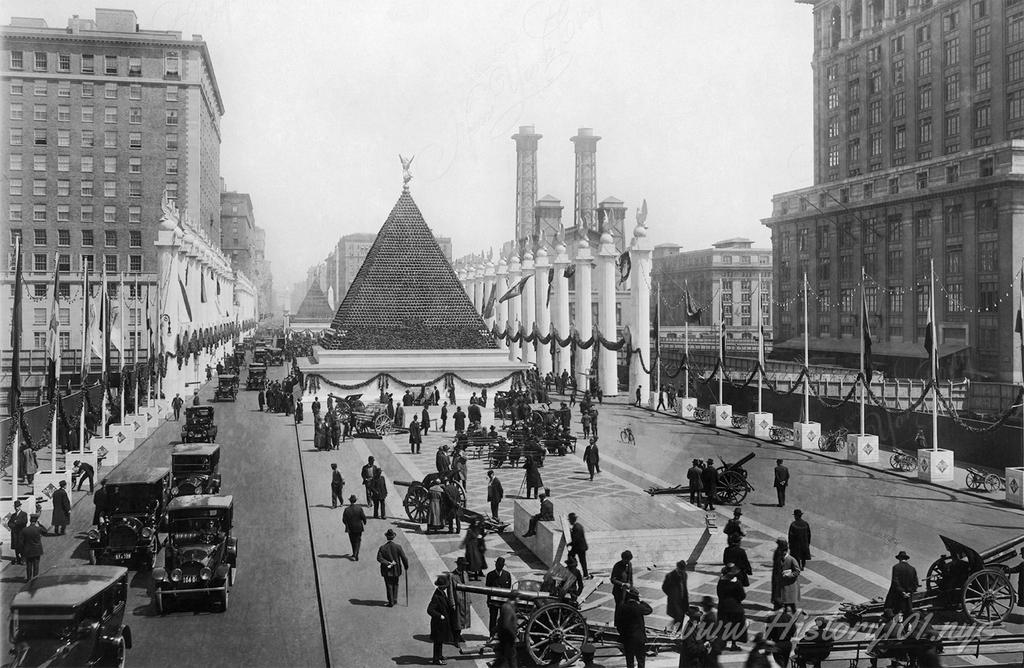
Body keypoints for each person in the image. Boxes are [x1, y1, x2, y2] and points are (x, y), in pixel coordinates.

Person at [615, 586, 653, 668]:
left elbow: (618, 624)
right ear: (636, 598)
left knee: (630, 661)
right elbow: (649, 610)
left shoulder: (622, 607)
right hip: (639, 638)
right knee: (641, 660)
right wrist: (642, 602)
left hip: (628, 638)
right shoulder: (639, 607)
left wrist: (623, 634)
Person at [717, 565, 747, 651]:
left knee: (724, 625)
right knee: (735, 626)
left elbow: (719, 593)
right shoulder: (737, 583)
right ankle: (733, 644)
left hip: (723, 607)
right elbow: (742, 595)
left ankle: (722, 643)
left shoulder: (721, 582)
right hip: (735, 607)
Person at [428, 573, 456, 665]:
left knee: (440, 641)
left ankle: (439, 656)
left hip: (442, 624)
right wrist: (440, 616)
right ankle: (436, 659)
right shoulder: (436, 596)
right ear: (442, 586)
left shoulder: (442, 593)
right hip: (438, 624)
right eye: (445, 585)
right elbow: (430, 610)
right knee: (437, 642)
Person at [376, 529, 409, 607]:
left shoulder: (382, 548)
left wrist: (387, 563)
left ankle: (390, 601)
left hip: (386, 570)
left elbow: (379, 558)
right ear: (393, 537)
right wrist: (406, 566)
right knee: (395, 584)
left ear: (387, 537)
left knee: (389, 585)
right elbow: (404, 558)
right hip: (396, 570)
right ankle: (394, 599)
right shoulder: (398, 547)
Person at [883, 550, 919, 617]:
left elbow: (895, 582)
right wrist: (908, 592)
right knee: (907, 614)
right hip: (908, 597)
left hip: (897, 595)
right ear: (906, 559)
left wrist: (902, 592)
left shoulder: (896, 567)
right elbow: (915, 583)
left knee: (891, 612)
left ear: (899, 558)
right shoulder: (912, 569)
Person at [771, 539, 802, 613]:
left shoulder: (791, 559)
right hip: (782, 584)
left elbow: (797, 571)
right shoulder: (778, 555)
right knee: (785, 603)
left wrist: (789, 575)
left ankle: (793, 617)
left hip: (790, 585)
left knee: (791, 604)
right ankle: (784, 616)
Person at [447, 557, 472, 646]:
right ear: (459, 565)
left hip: (465, 601)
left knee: (463, 621)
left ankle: (459, 635)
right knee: (456, 622)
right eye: (463, 565)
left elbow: (468, 586)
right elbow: (450, 591)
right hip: (457, 602)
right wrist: (452, 603)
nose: (464, 567)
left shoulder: (465, 574)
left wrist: (469, 599)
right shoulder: (452, 576)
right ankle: (455, 639)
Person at [485, 556, 513, 636]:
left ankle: (501, 635)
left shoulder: (507, 575)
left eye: (501, 565)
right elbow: (488, 589)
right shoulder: (490, 575)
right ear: (496, 565)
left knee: (503, 619)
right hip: (493, 601)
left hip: (503, 602)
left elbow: (508, 589)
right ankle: (492, 635)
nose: (499, 566)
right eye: (498, 564)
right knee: (493, 619)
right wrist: (488, 600)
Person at [661, 560, 689, 633]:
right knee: (678, 616)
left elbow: (685, 588)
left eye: (684, 569)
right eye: (681, 569)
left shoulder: (685, 575)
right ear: (678, 568)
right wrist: (671, 595)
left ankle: (675, 631)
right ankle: (674, 632)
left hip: (683, 600)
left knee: (681, 617)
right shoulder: (670, 576)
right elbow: (664, 587)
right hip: (674, 601)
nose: (683, 571)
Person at [493, 590, 519, 667]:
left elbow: (500, 620)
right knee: (511, 658)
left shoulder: (506, 606)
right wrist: (513, 635)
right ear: (515, 598)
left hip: (504, 637)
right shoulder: (508, 608)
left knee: (504, 658)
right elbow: (506, 625)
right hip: (508, 638)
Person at [20, 514, 47, 581]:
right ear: (36, 521)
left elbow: (21, 542)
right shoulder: (38, 529)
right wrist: (40, 524)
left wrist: (22, 551)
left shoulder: (24, 530)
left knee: (29, 565)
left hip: (28, 550)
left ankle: (29, 579)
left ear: (30, 520)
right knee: (36, 565)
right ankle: (35, 579)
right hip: (37, 550)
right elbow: (45, 531)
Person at [342, 494, 367, 560]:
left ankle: (354, 553)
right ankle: (356, 554)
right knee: (358, 541)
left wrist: (347, 524)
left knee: (352, 541)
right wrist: (364, 522)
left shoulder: (346, 509)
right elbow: (363, 517)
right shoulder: (359, 508)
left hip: (350, 528)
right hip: (359, 527)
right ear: (355, 501)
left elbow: (344, 520)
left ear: (350, 501)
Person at [567, 513, 590, 578]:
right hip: (581, 547)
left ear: (572, 520)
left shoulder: (576, 527)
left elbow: (575, 539)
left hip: (579, 547)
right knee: (583, 561)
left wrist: (570, 544)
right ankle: (585, 574)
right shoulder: (578, 526)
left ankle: (572, 570)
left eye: (570, 520)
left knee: (570, 556)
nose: (569, 521)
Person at [7, 500, 28, 565]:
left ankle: (23, 559)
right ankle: (18, 559)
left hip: (21, 533)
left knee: (22, 546)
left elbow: (24, 522)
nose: (16, 508)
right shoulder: (13, 515)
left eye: (18, 507)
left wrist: (16, 522)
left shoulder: (24, 514)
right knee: (16, 547)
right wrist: (14, 524)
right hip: (15, 533)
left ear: (20, 506)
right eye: (15, 507)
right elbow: (9, 523)